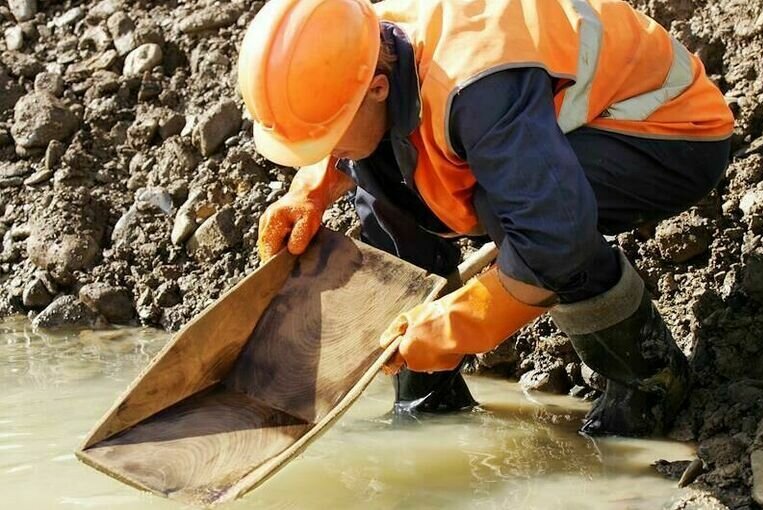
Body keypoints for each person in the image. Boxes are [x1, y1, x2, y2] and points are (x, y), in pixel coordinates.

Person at [238, 0, 733, 436]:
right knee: (377, 176)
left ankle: (648, 379)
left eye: (325, 140)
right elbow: (347, 124)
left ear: (378, 87)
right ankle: (429, 398)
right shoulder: (361, 44)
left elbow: (552, 238)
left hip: (669, 132)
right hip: (546, 129)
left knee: (517, 214)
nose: (324, 152)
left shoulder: (475, 83)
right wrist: (312, 188)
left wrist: (454, 328)